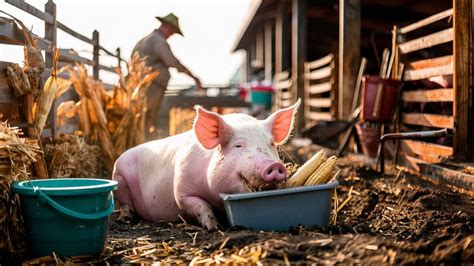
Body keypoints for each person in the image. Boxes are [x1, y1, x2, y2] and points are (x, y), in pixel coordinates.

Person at [132, 13, 203, 139]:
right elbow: (172, 62)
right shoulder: (159, 41)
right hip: (152, 87)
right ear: (167, 27)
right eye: (172, 31)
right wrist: (194, 77)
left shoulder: (145, 40)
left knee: (143, 117)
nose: (171, 35)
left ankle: (143, 140)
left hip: (142, 85)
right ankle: (147, 142)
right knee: (149, 118)